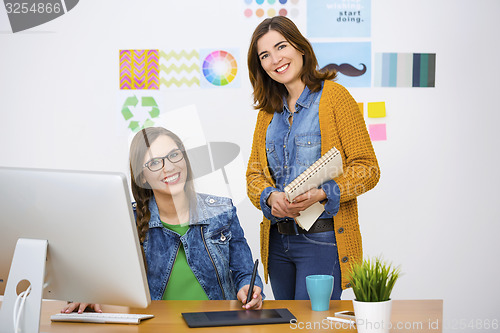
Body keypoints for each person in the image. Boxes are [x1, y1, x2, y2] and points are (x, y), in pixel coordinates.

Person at [246, 16, 380, 300]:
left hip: (322, 240)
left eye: (281, 47)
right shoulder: (266, 113)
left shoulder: (335, 97)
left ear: (300, 48)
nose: (275, 59)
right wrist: (270, 197)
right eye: (265, 55)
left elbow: (368, 168)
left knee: (314, 327)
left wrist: (322, 192)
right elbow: (254, 175)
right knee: (286, 327)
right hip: (278, 243)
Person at [62, 127, 263, 313]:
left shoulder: (222, 211)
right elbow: (96, 273)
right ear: (142, 177)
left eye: (174, 155)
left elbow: (244, 272)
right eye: (155, 162)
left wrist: (249, 287)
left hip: (215, 325)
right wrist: (87, 291)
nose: (169, 167)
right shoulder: (127, 220)